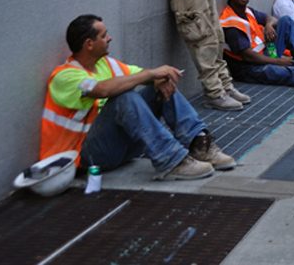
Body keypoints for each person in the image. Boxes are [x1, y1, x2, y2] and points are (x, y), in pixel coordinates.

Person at [41, 14, 234, 181]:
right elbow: (101, 90)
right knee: (123, 96)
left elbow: (141, 74)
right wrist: (152, 75)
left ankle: (199, 143)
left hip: (120, 149)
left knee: (161, 84)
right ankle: (172, 161)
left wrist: (158, 77)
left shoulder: (105, 64)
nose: (110, 38)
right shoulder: (64, 76)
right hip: (86, 157)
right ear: (89, 44)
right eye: (104, 35)